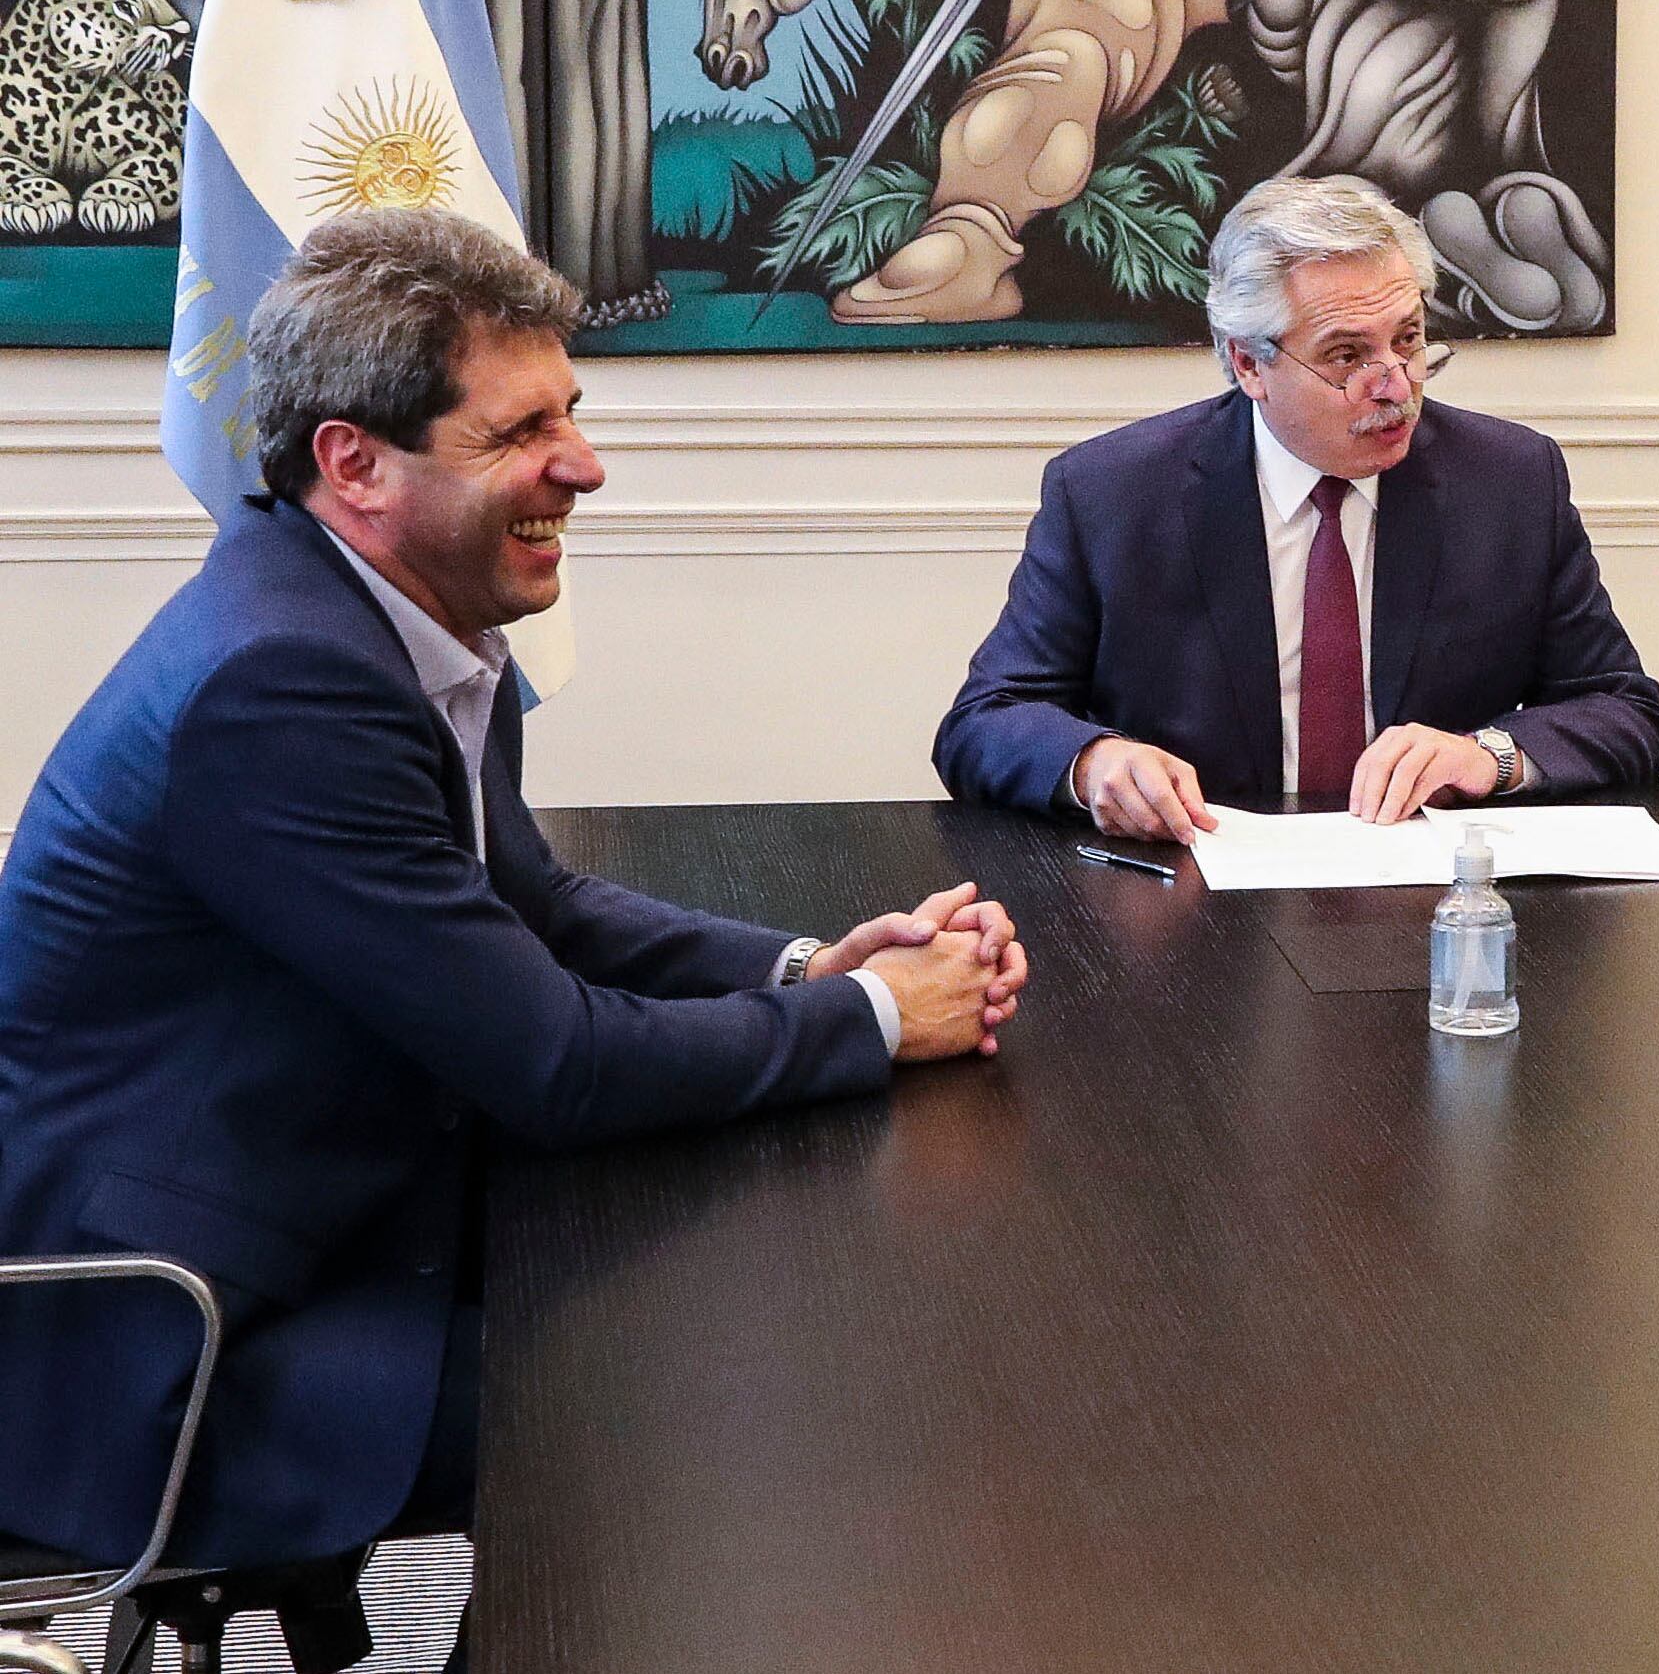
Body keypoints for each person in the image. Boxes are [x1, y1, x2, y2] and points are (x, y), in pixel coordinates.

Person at [0, 209, 1030, 1595]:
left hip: (323, 1210)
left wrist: (803, 964)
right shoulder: (282, 686)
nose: (584, 466)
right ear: (351, 462)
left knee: (725, 1292)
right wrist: (871, 1015)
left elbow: (530, 902)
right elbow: (553, 1059)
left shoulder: (391, 615)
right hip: (172, 1337)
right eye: (515, 432)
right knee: (709, 1401)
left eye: (573, 412)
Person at [935, 173, 1659, 841]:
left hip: (1438, 905)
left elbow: (1625, 710)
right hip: (1193, 904)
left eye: (1408, 341)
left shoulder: (1510, 481)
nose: (1396, 387)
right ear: (1250, 363)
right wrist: (1095, 762)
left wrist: (1489, 756)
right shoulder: (1111, 493)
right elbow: (984, 721)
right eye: (1348, 356)